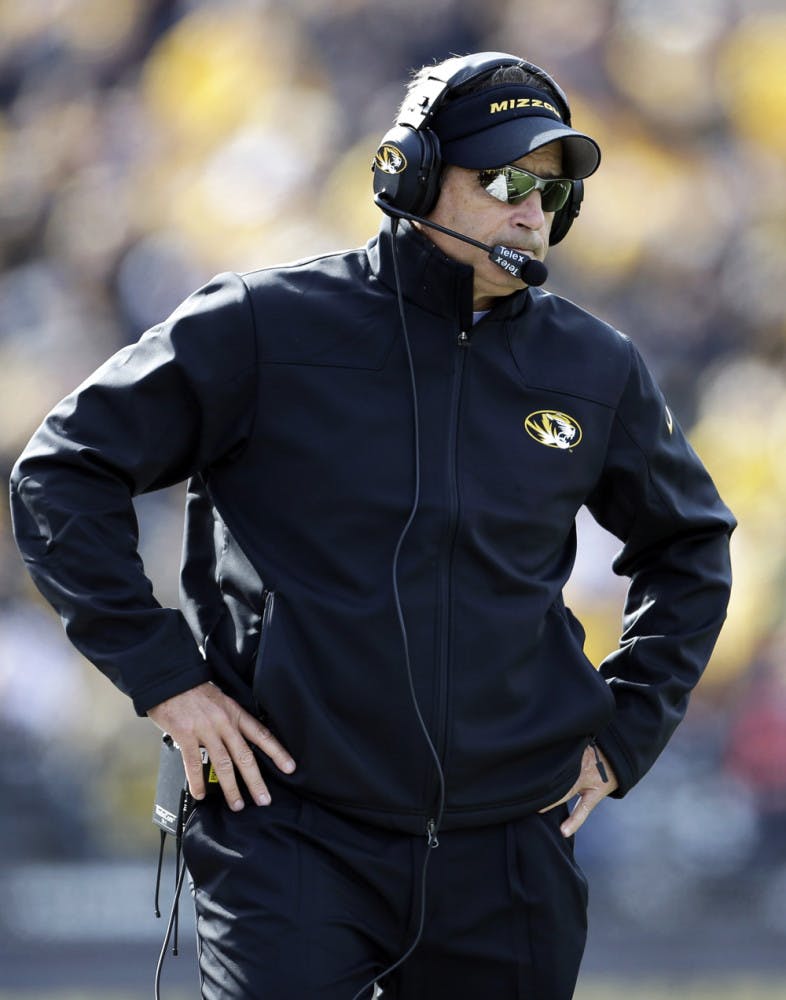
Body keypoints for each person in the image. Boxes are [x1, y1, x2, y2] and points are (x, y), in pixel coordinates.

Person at [9, 51, 735, 999]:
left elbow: (689, 546)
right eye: (506, 180)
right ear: (412, 175)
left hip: (509, 846)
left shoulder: (594, 367)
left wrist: (627, 730)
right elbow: (61, 472)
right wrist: (166, 681)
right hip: (290, 828)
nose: (532, 210)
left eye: (552, 190)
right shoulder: (263, 327)